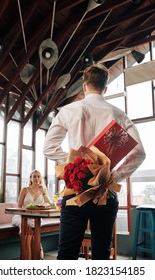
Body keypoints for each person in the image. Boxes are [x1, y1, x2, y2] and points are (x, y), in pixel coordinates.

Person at [43, 64, 146, 260]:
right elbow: (140, 152)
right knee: (101, 254)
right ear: (105, 88)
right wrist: (112, 176)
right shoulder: (118, 114)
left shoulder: (69, 110)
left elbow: (48, 147)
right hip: (105, 192)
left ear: (84, 86)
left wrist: (75, 164)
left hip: (75, 191)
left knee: (66, 253)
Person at [12, 169, 51, 259]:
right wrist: (25, 213)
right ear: (30, 178)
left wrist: (43, 192)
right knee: (25, 225)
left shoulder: (43, 190)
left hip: (36, 218)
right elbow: (19, 206)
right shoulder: (25, 190)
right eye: (34, 176)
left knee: (33, 228)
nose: (36, 178)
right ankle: (32, 250)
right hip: (21, 216)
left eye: (38, 176)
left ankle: (31, 252)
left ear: (40, 178)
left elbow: (49, 204)